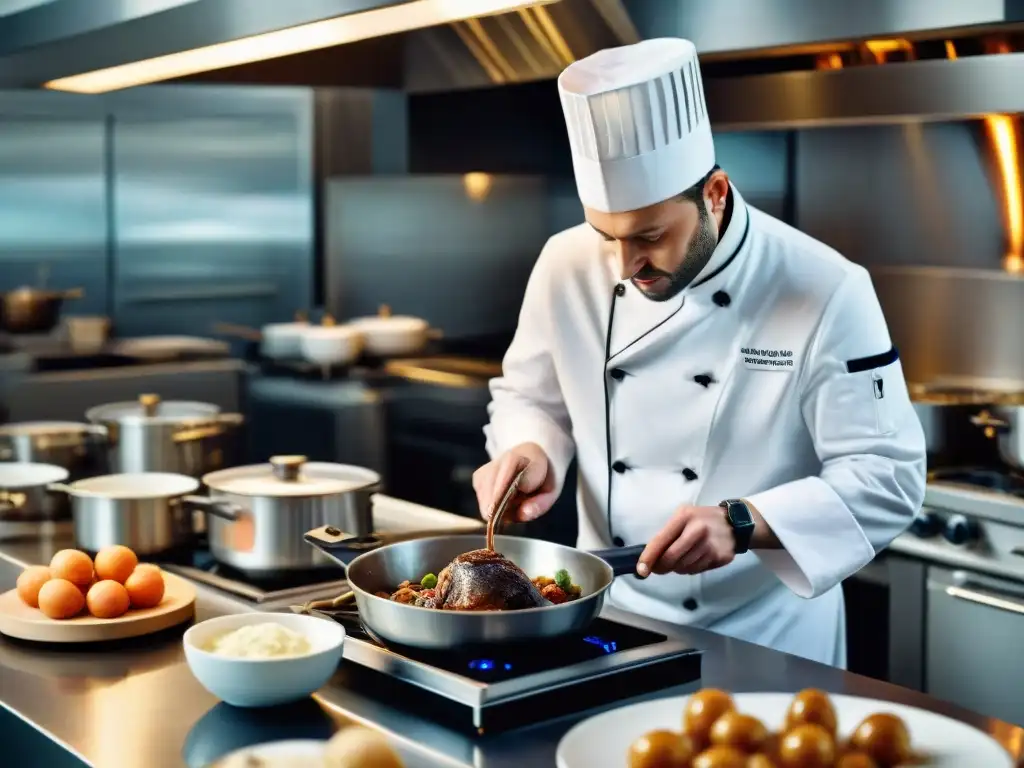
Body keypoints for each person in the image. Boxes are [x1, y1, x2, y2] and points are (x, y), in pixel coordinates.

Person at [472, 37, 926, 667]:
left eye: (650, 236)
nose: (626, 266)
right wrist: (531, 449)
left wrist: (745, 522)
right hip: (613, 617)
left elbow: (888, 475)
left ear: (714, 193)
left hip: (769, 636)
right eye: (606, 236)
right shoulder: (565, 262)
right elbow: (529, 395)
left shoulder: (824, 287)